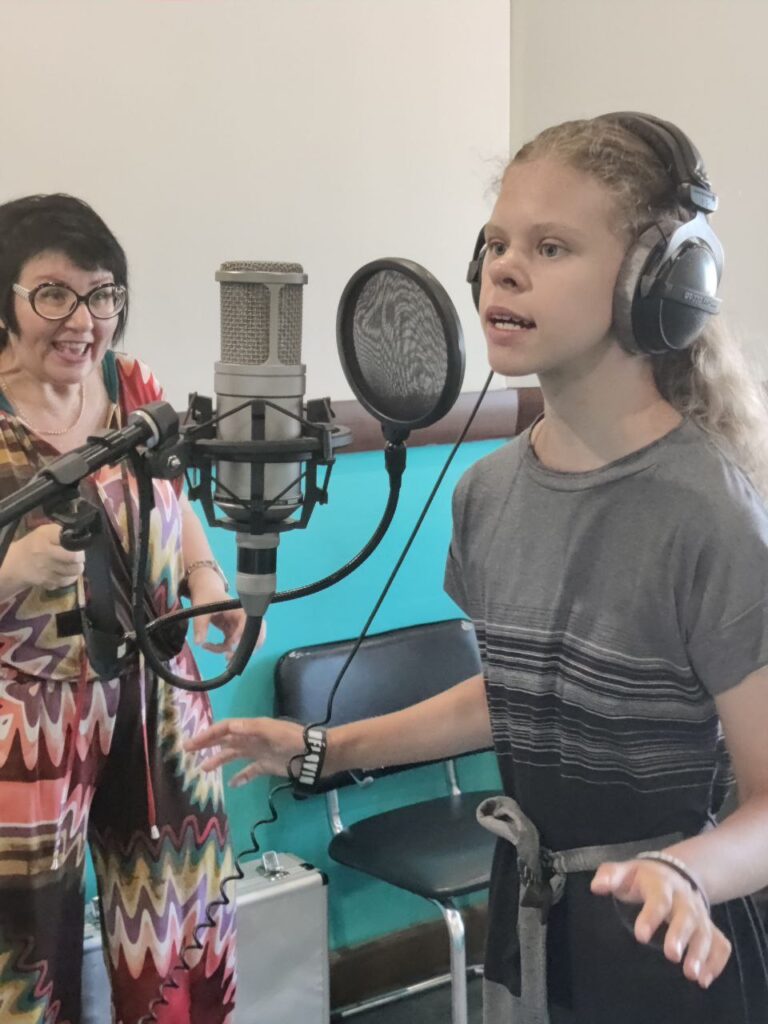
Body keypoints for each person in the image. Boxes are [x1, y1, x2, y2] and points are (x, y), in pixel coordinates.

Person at [185, 114, 768, 1023]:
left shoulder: (709, 515)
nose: (504, 269)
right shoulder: (487, 493)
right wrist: (324, 747)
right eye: (496, 243)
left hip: (676, 932)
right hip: (532, 914)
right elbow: (515, 695)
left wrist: (683, 872)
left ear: (659, 284)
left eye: (551, 246)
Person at [0, 194, 247, 1024]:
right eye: (53, 294)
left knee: (180, 925)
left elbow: (174, 496)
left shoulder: (131, 386)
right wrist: (10, 571)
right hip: (26, 720)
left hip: (160, 696)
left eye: (102, 294)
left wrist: (205, 576)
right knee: (24, 952)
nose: (83, 320)